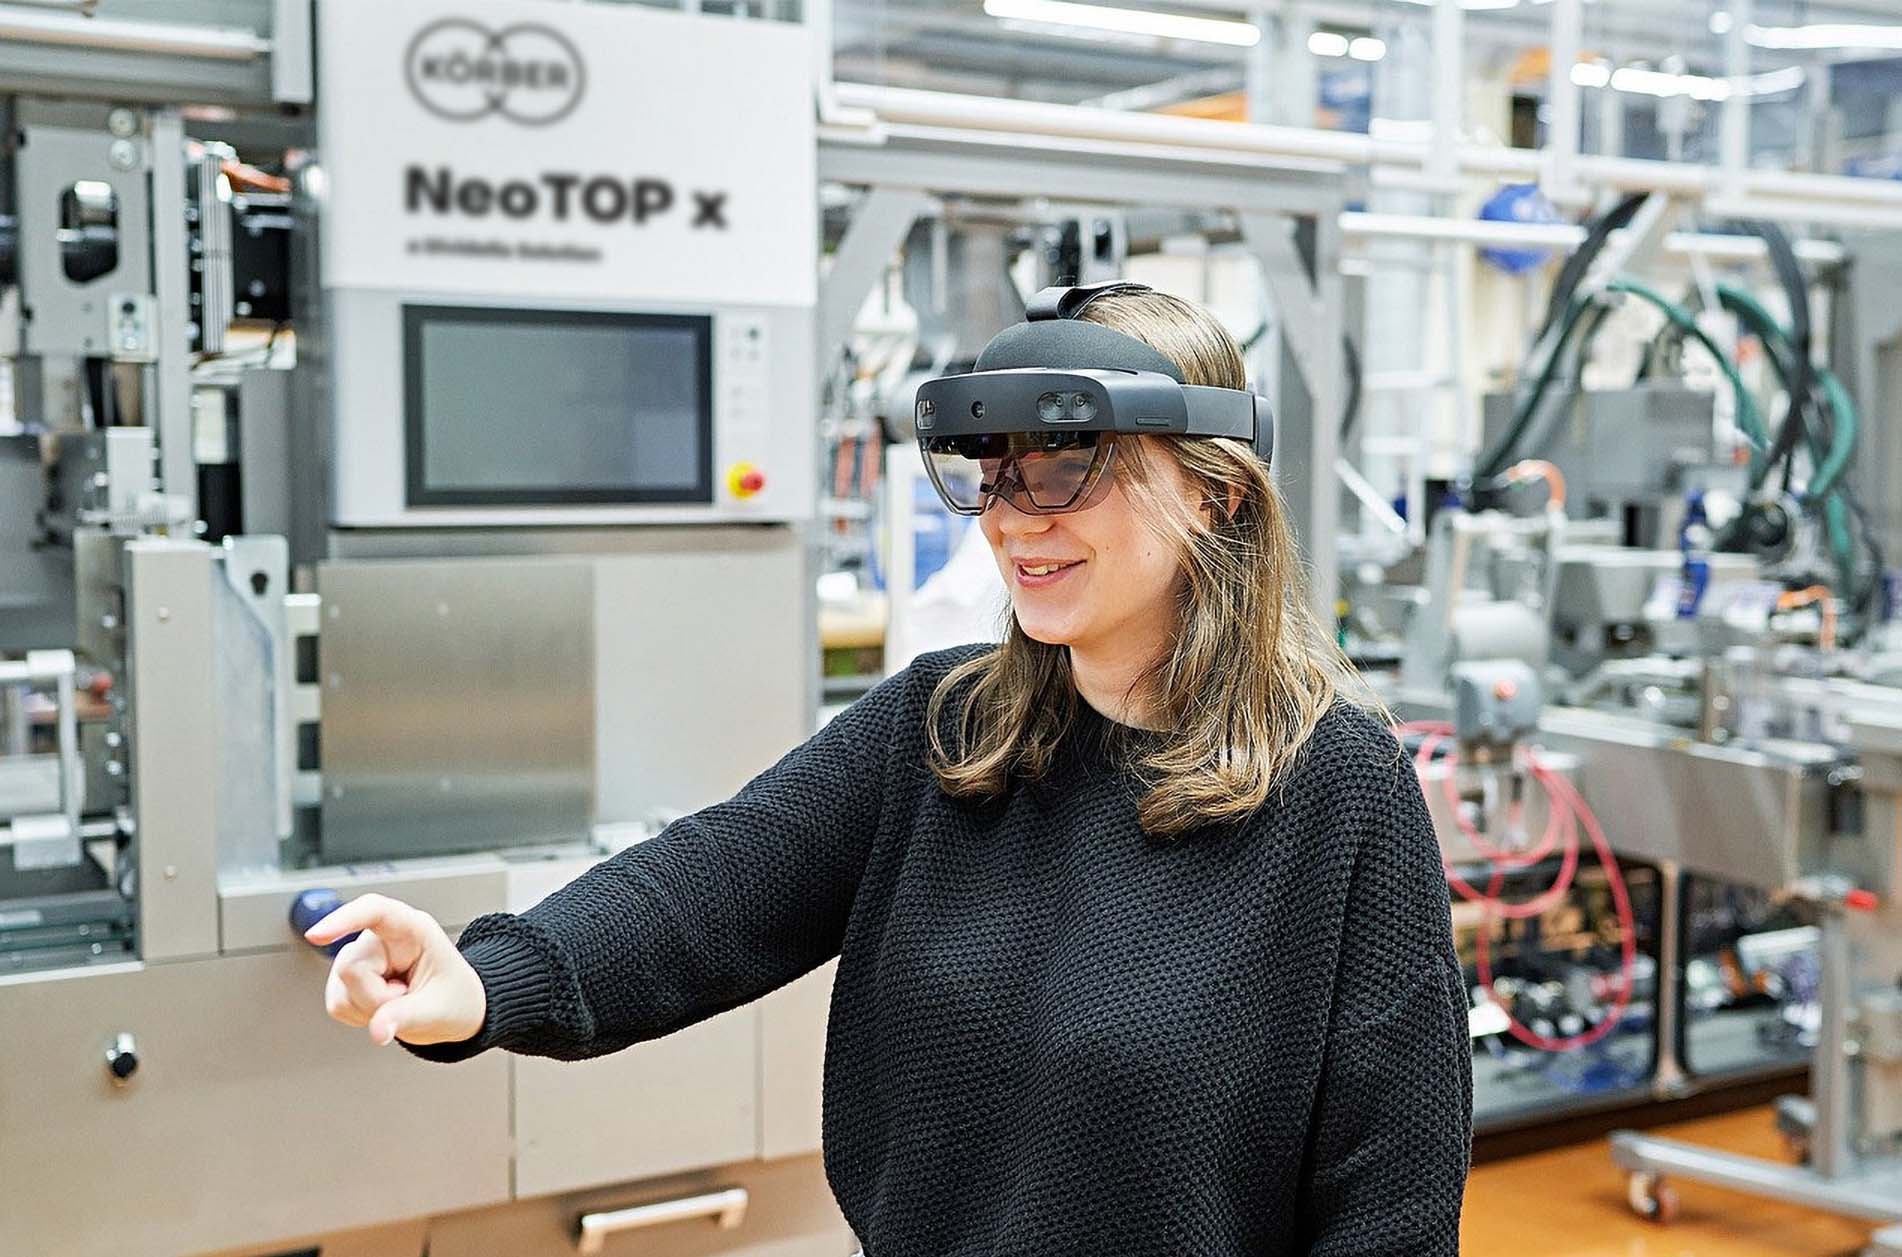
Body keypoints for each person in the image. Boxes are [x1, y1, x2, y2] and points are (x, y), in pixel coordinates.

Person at [308, 282, 1473, 1255]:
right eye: (992, 473)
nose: (1012, 520)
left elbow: (1395, 1201)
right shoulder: (945, 727)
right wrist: (488, 980)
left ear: (1214, 493)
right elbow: (711, 886)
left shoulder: (1337, 790)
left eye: (1067, 469)